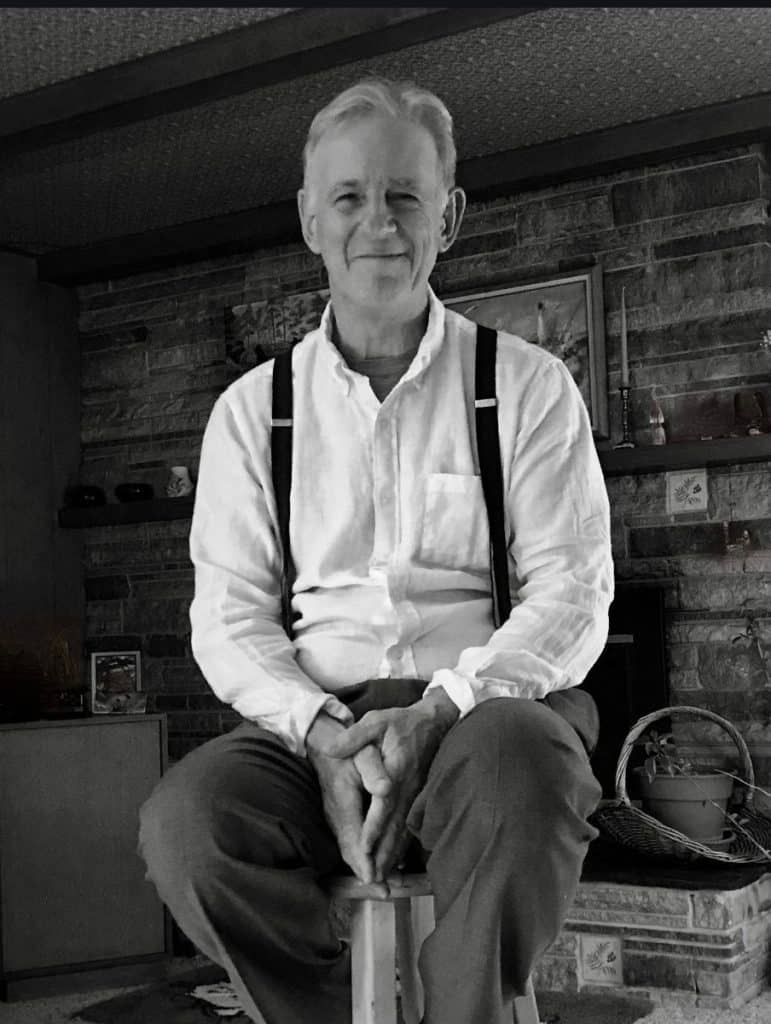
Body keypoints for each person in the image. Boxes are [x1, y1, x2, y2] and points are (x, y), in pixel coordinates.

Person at [138, 77, 614, 1024]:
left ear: (452, 214)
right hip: (313, 717)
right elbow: (229, 617)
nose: (379, 225)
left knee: (529, 769)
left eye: (405, 195)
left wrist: (444, 709)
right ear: (310, 219)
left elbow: (571, 592)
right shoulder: (250, 413)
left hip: (487, 709)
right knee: (186, 826)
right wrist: (319, 734)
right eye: (350, 198)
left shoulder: (526, 386)